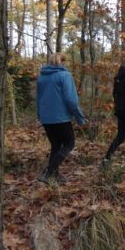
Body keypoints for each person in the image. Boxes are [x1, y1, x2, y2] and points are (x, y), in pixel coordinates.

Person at [35, 52, 87, 184]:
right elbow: (71, 100)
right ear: (62, 62)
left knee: (56, 145)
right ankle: (48, 172)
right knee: (69, 143)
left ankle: (54, 175)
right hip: (60, 117)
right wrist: (80, 117)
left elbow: (38, 99)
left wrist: (40, 115)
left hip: (46, 118)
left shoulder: (41, 78)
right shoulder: (65, 76)